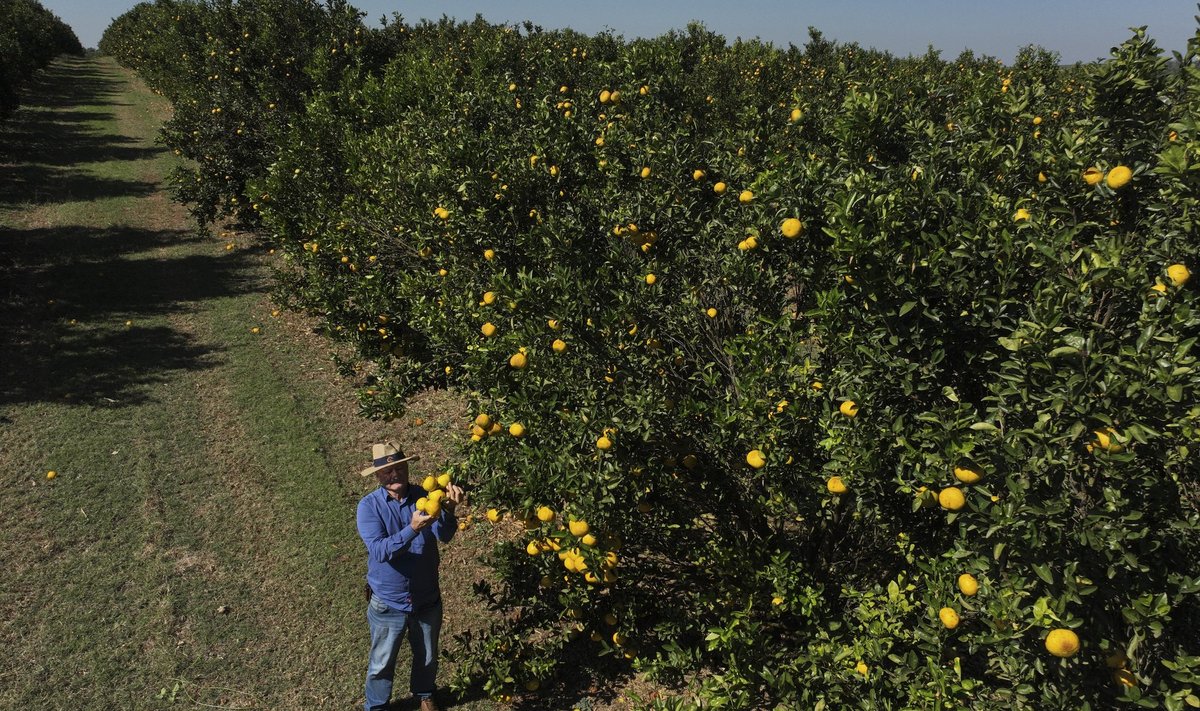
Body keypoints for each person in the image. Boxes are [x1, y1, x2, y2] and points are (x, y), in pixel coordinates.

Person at [356, 441, 464, 711]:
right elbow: (380, 551)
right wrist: (412, 529)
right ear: (378, 476)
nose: (395, 476)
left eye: (399, 468)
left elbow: (445, 536)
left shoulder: (426, 496)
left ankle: (425, 694)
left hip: (426, 596)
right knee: (381, 662)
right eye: (387, 472)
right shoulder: (369, 507)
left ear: (406, 468)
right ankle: (376, 706)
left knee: (427, 655)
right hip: (388, 600)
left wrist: (449, 510)